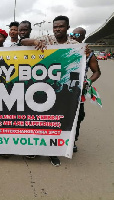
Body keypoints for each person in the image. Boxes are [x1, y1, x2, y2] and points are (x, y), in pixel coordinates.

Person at [21, 15, 79, 167]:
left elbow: (79, 62)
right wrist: (34, 42)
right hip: (43, 88)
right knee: (39, 120)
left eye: (61, 26)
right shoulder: (46, 39)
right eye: (55, 27)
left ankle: (53, 153)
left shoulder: (74, 44)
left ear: (67, 27)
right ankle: (34, 149)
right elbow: (23, 41)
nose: (57, 29)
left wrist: (85, 51)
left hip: (61, 90)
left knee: (55, 123)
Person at [70, 27, 101, 152]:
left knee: (78, 116)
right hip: (62, 90)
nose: (73, 36)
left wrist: (87, 82)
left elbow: (97, 72)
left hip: (78, 91)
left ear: (83, 37)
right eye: (72, 34)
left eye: (77, 34)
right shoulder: (63, 49)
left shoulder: (89, 54)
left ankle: (73, 140)